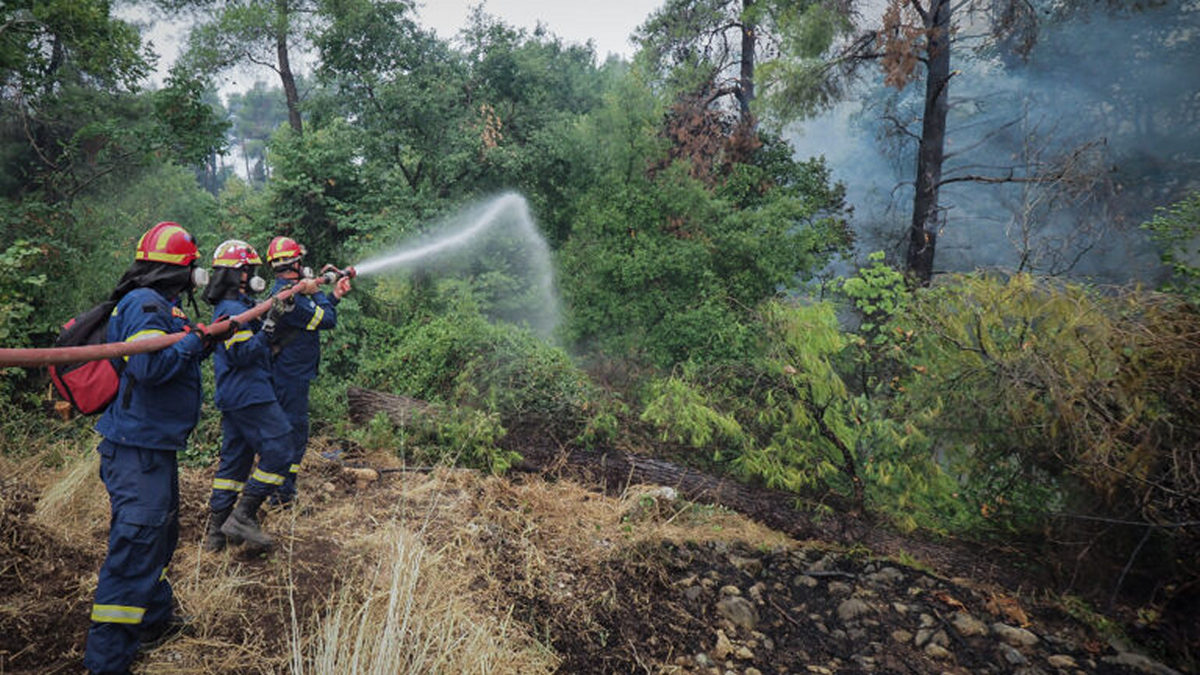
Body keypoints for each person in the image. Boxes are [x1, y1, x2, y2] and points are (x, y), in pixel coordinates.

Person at [85, 222, 228, 675]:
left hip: (151, 447)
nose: (197, 278)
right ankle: (108, 662)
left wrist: (203, 342)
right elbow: (149, 369)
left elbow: (167, 358)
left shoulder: (158, 305)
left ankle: (154, 620)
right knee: (137, 546)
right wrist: (192, 343)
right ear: (180, 270)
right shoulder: (145, 305)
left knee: (158, 539)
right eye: (193, 268)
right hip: (136, 450)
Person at [201, 240, 296, 552]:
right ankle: (243, 515)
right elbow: (242, 354)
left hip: (238, 394)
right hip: (249, 394)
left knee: (235, 463)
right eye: (250, 270)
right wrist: (269, 326)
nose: (255, 275)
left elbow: (261, 347)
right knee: (282, 448)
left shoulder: (239, 307)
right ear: (237, 275)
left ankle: (217, 535)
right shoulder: (231, 310)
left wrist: (278, 324)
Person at [262, 236, 351, 507]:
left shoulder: (290, 292)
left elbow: (311, 321)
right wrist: (317, 292)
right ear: (296, 263)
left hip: (291, 374)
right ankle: (282, 496)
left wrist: (333, 295)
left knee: (291, 433)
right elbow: (327, 320)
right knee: (293, 434)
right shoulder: (292, 298)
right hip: (290, 377)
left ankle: (283, 491)